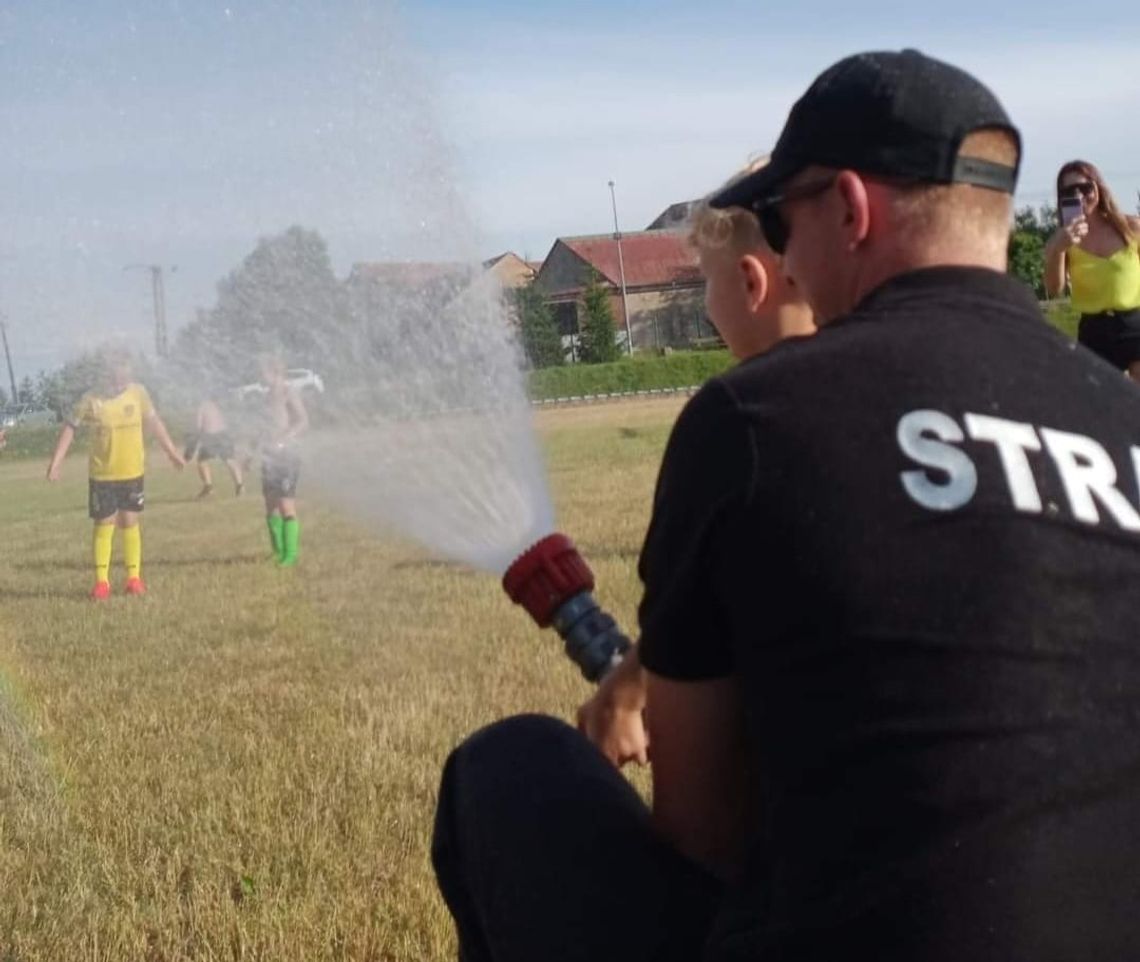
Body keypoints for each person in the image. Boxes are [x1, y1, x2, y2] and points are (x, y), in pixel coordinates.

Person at [431, 49, 1140, 962]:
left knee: (508, 767)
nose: (784, 257)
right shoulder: (1122, 415)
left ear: (848, 209)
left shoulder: (756, 417)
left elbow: (703, 839)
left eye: (778, 217)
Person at [431, 156, 816, 961]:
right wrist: (641, 678)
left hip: (790, 907)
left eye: (703, 286)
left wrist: (642, 702)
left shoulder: (742, 426)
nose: (704, 310)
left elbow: (699, 834)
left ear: (749, 283)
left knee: (499, 768)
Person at [46, 350, 185, 599]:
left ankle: (134, 578)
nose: (120, 385)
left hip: (132, 472)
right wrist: (56, 462)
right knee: (104, 523)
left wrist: (171, 452)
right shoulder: (91, 399)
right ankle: (102, 582)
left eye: (124, 379)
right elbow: (70, 428)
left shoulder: (138, 393)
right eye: (116, 380)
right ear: (106, 376)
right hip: (102, 474)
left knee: (130, 522)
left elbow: (154, 423)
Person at [1044, 159, 1140, 376]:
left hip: (1134, 323)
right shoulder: (1063, 240)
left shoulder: (1130, 227)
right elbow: (1054, 288)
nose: (1079, 195)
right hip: (1094, 331)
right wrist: (1058, 250)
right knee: (1103, 404)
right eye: (1070, 190)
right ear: (1062, 198)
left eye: (1085, 187)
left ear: (1098, 188)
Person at [257, 356, 307, 567]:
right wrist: (252, 453)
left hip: (287, 456)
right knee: (270, 504)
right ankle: (277, 550)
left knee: (286, 505)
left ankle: (290, 554)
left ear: (274, 373)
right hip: (269, 457)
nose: (260, 376)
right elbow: (262, 427)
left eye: (263, 372)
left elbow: (303, 420)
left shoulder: (288, 392)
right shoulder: (266, 396)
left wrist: (284, 439)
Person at [185, 394, 244, 498]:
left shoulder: (202, 406)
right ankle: (240, 485)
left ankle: (208, 487)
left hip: (210, 436)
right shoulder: (215, 405)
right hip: (223, 434)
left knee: (202, 461)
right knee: (230, 460)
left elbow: (198, 426)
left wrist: (192, 443)